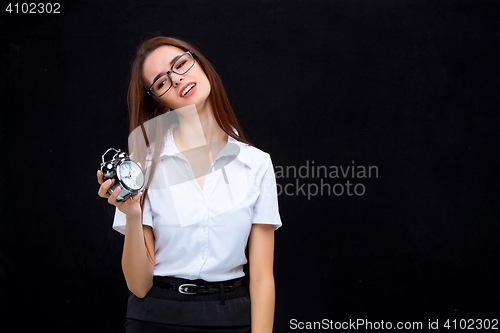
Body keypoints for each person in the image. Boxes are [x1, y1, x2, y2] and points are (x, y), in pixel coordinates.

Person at [97, 36, 282, 333]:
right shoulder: (142, 164)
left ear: (199, 63)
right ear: (158, 101)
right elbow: (139, 285)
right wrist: (132, 215)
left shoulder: (256, 163)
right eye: (161, 83)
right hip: (156, 318)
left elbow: (261, 277)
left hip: (231, 317)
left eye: (180, 64)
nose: (178, 80)